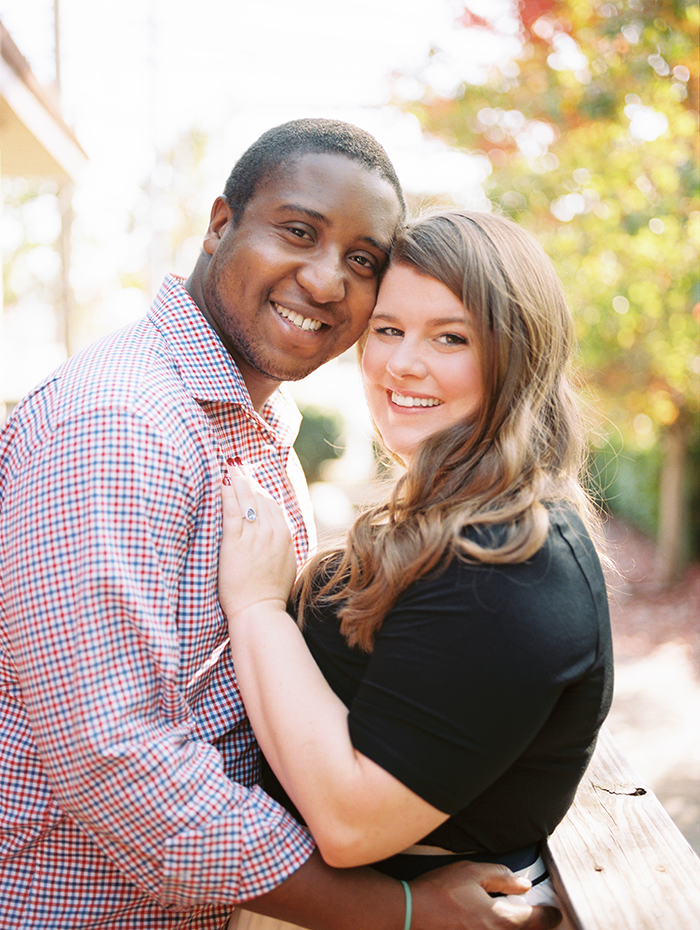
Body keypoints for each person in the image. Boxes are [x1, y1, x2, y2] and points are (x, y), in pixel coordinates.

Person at [0, 121, 559, 930]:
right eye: (298, 231)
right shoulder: (122, 425)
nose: (329, 281)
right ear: (221, 224)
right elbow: (119, 764)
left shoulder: (249, 427)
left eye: (363, 260)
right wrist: (396, 908)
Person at [218, 210, 615, 929]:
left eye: (451, 338)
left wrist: (254, 607)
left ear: (516, 355)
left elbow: (351, 822)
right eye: (389, 329)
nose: (403, 363)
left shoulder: (506, 564)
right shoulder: (453, 516)